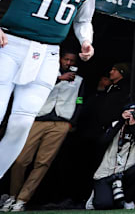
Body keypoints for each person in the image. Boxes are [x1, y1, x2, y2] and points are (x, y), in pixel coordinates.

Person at [0, 0, 104, 178]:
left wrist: (85, 41)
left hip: (48, 53)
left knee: (23, 122)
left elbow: (82, 20)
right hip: (10, 44)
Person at [3, 51, 84, 212]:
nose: (68, 62)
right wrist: (58, 79)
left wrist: (71, 122)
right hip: (39, 119)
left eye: (71, 60)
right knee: (20, 160)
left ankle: (22, 199)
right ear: (60, 59)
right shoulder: (46, 75)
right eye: (66, 59)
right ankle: (12, 195)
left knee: (43, 162)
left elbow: (80, 101)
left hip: (60, 123)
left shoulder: (79, 81)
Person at [87, 104, 135, 210]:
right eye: (129, 112)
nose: (131, 115)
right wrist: (121, 122)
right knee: (103, 205)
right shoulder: (115, 124)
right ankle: (99, 195)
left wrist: (133, 127)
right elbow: (102, 142)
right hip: (106, 172)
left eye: (134, 113)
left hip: (127, 170)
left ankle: (128, 200)